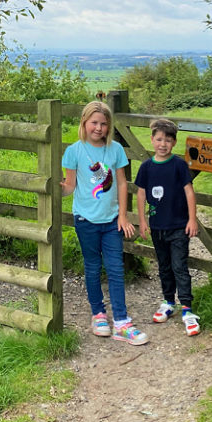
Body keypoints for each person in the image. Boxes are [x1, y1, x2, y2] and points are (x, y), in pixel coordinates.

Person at [61, 100, 149, 346]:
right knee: (92, 267)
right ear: (84, 123)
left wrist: (122, 215)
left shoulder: (116, 150)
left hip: (111, 221)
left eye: (103, 123)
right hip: (85, 220)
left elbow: (121, 183)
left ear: (109, 126)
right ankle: (98, 314)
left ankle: (121, 321)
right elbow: (70, 186)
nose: (98, 128)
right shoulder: (74, 151)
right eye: (94, 123)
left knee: (115, 267)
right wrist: (57, 189)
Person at [136, 117, 200, 336]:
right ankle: (167, 301)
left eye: (168, 140)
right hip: (157, 227)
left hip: (179, 227)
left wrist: (192, 219)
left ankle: (187, 309)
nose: (163, 144)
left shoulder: (179, 165)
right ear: (152, 140)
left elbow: (189, 191)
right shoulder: (146, 167)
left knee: (179, 266)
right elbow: (141, 193)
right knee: (163, 266)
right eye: (159, 139)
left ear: (174, 143)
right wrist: (142, 221)